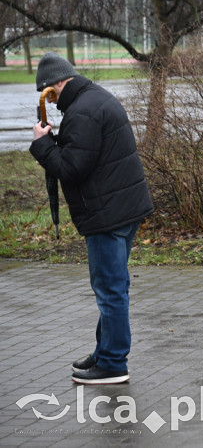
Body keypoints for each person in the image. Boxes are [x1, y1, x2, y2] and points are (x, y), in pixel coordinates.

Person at [29, 52, 153, 385]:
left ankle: (113, 364)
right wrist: (55, 142)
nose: (51, 103)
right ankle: (105, 351)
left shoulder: (82, 112)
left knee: (110, 290)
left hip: (106, 215)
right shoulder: (94, 99)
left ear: (57, 84)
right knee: (115, 286)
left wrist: (42, 144)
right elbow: (82, 155)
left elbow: (71, 169)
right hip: (122, 209)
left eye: (49, 95)